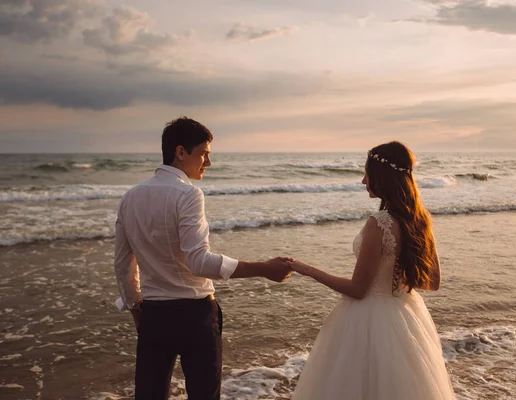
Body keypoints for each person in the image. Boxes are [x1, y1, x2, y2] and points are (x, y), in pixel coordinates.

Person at [113, 117, 292, 400]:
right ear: (180, 152)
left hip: (154, 316)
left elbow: (123, 265)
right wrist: (264, 268)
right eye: (204, 153)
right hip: (193, 315)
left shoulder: (130, 197)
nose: (208, 162)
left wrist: (138, 311)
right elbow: (199, 262)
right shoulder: (188, 194)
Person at [290, 141, 455, 399]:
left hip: (367, 321)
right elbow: (431, 282)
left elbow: (357, 290)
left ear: (382, 177)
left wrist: (307, 269)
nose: (363, 180)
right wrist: (396, 282)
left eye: (367, 173)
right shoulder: (420, 219)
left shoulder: (379, 223)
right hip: (406, 316)